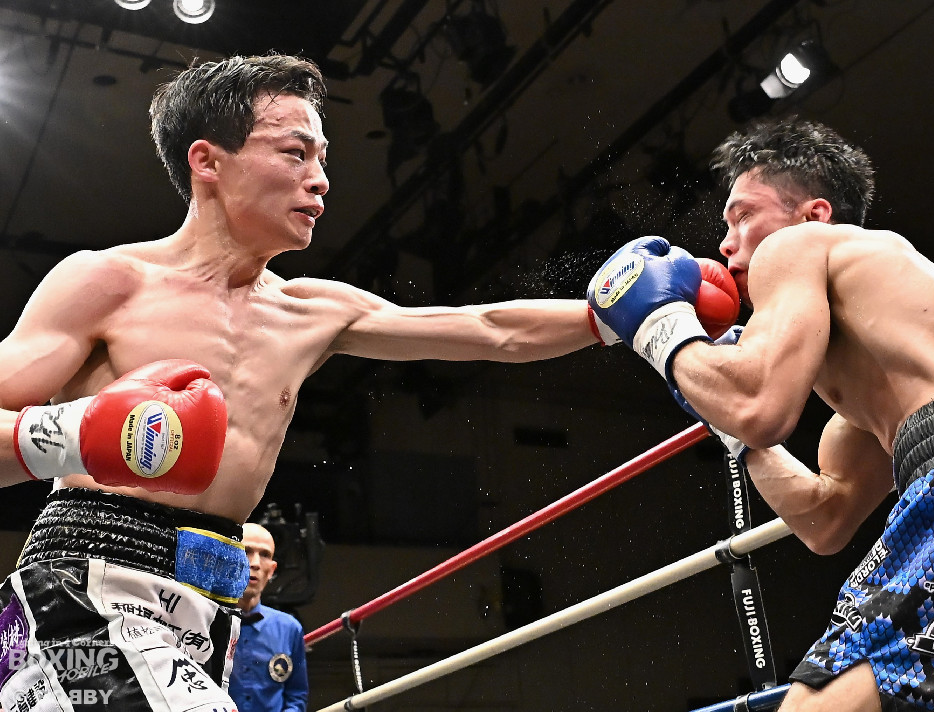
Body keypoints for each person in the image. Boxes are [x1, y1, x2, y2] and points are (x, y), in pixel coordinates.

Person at [0, 53, 607, 711]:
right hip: (86, 584)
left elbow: (490, 329)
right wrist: (80, 435)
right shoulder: (108, 283)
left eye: (322, 158)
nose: (320, 180)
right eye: (295, 153)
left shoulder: (314, 311)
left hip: (209, 609)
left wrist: (619, 314)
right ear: (207, 161)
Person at [586, 117, 934, 711]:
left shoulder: (797, 246)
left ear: (813, 216)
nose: (726, 243)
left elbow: (760, 406)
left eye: (743, 216)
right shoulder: (887, 390)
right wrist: (731, 427)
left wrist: (664, 332)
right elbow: (825, 520)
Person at [229, 523, 308, 712]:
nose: (255, 563)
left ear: (272, 570)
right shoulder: (206, 620)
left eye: (264, 554)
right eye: (246, 551)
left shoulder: (289, 628)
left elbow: (296, 696)